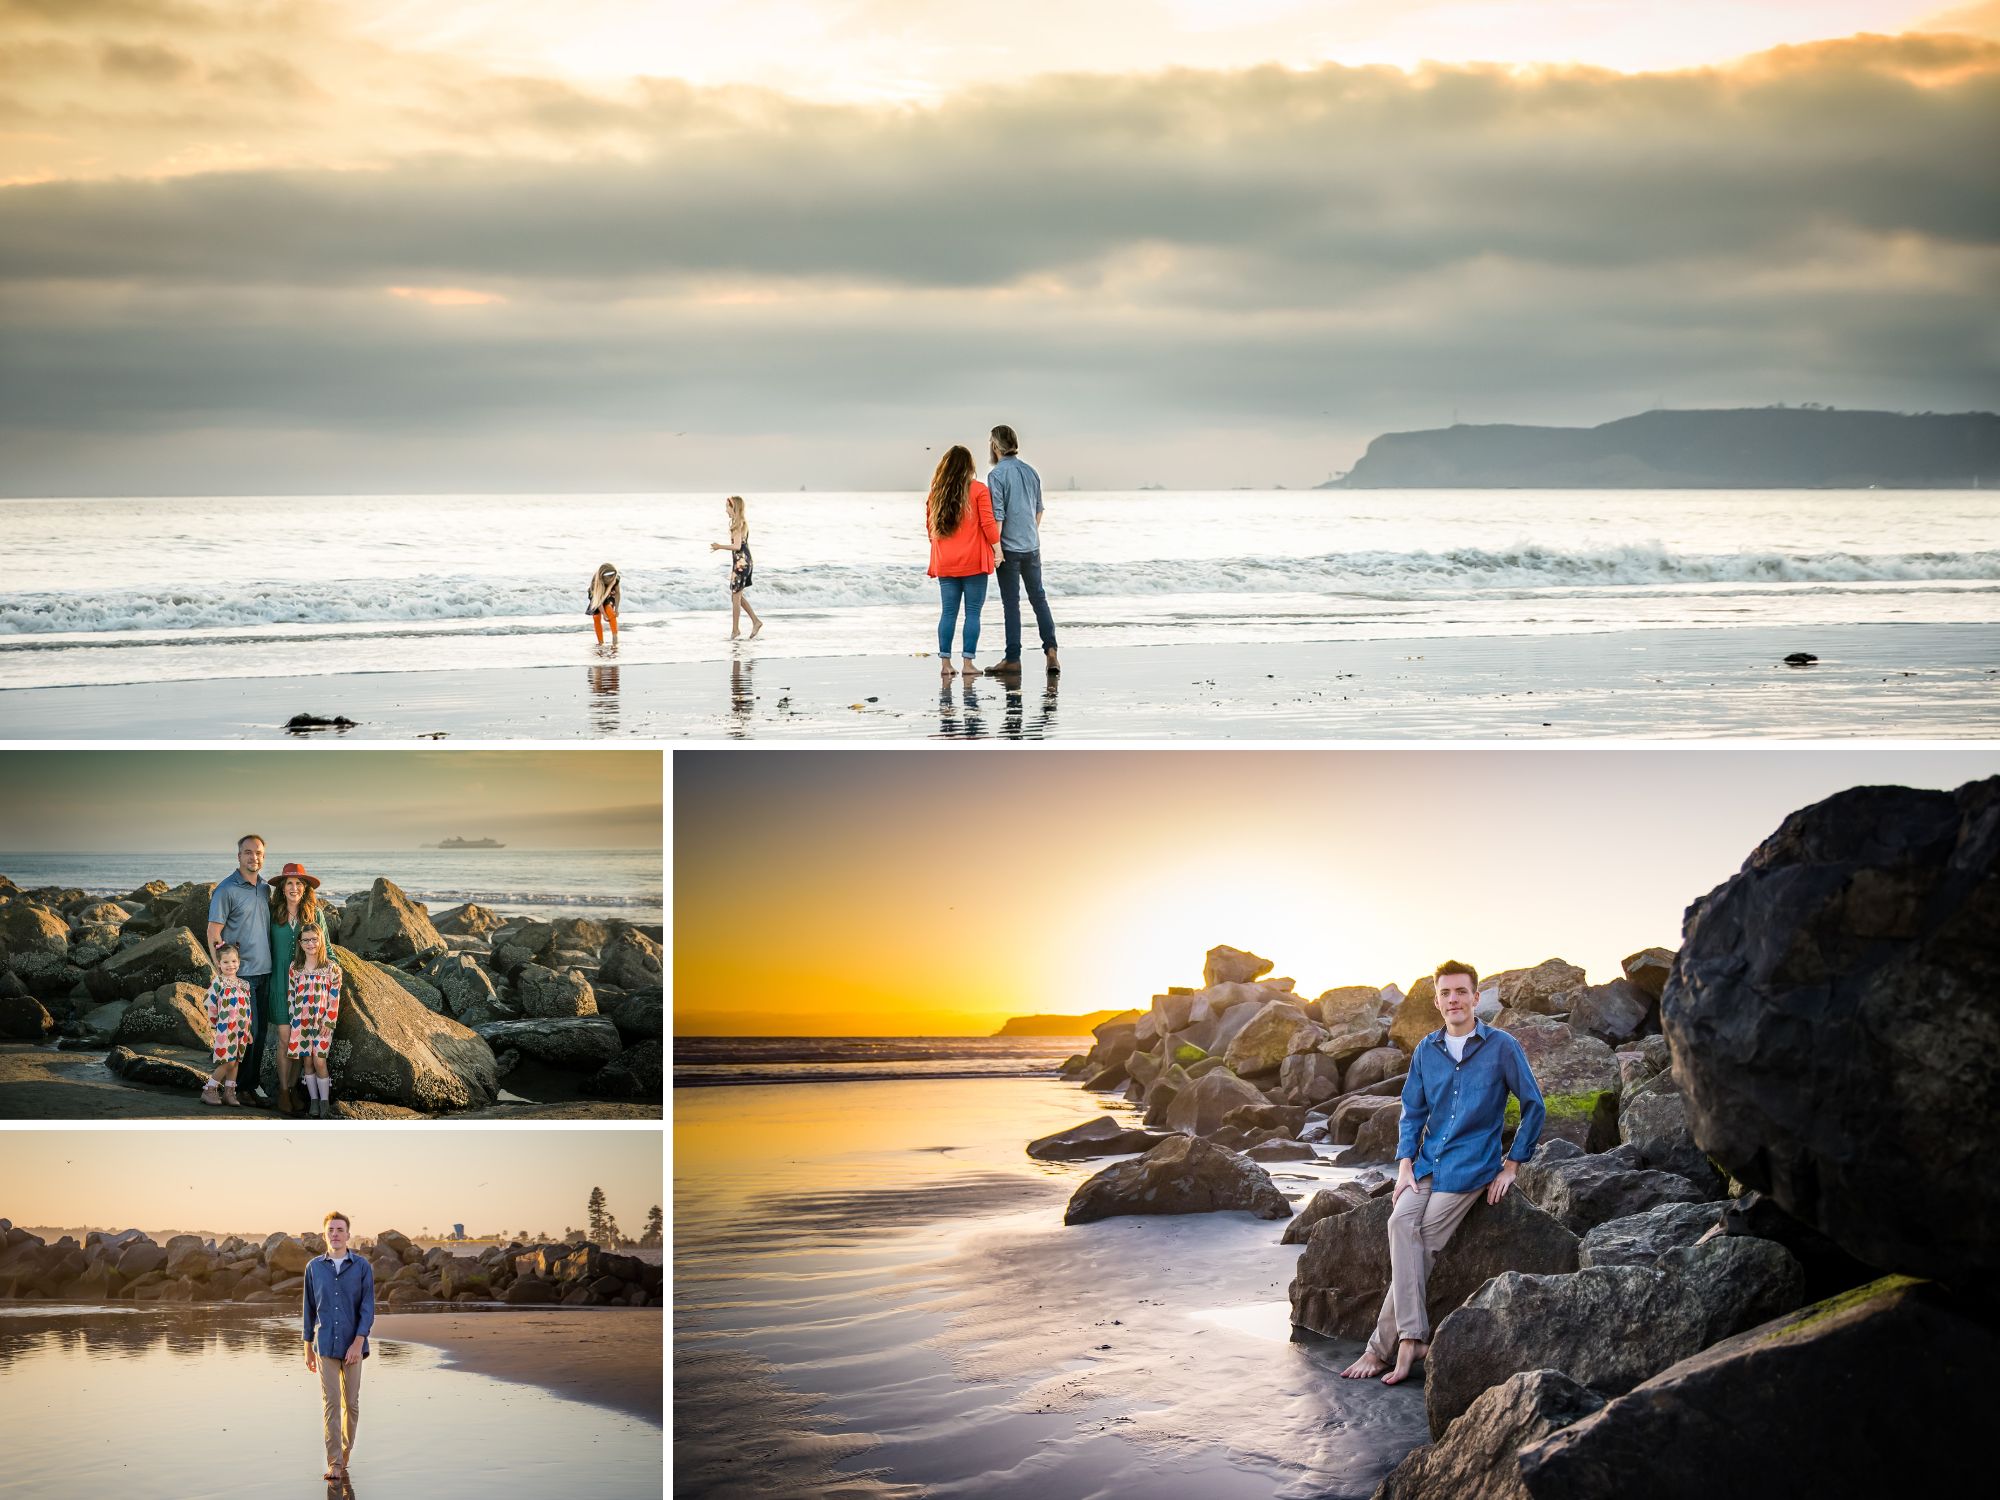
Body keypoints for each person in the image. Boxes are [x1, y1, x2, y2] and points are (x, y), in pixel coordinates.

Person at [1341, 959, 1546, 1387]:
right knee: (1400, 1223)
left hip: (1472, 1166)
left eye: (1461, 992)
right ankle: (1412, 1340)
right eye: (1446, 993)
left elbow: (1534, 1105)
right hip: (1427, 1162)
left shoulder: (1502, 1046)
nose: (1454, 999)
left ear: (1475, 997)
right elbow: (1412, 1112)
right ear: (1436, 1001)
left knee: (1425, 1241)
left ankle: (1385, 1346)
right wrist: (1403, 1167)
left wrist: (1512, 1165)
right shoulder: (1426, 1051)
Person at [303, 1209, 374, 1484]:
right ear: (325, 1234)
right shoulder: (313, 1268)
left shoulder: (362, 1266)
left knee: (351, 1404)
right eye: (330, 1230)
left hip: (353, 1345)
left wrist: (358, 1342)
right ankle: (334, 1462)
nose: (335, 1234)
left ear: (348, 1234)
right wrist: (307, 1346)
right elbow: (308, 1308)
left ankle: (345, 1453)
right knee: (331, 1403)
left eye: (340, 1230)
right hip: (324, 1345)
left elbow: (367, 1308)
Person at [982, 424, 1060, 675]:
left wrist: (997, 549)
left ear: (995, 446)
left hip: (1009, 548)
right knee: (1039, 598)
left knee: (1011, 603)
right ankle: (1051, 653)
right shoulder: (1031, 472)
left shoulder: (996, 475)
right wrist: (1031, 536)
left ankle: (1013, 658)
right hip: (1032, 546)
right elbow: (1039, 509)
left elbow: (998, 516)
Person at [206, 834, 272, 1106]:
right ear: (239, 856)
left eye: (258, 853)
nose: (253, 857)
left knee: (260, 1034)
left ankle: (244, 1087)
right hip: (241, 977)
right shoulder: (226, 889)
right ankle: (239, 1087)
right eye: (247, 852)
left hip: (265, 972)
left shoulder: (266, 889)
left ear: (263, 857)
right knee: (249, 1034)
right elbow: (213, 931)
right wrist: (224, 976)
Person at [926, 445, 999, 675]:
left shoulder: (936, 492)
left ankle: (945, 665)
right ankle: (968, 664)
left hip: (945, 562)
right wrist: (998, 550)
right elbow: (988, 524)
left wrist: (943, 550)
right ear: (970, 466)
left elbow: (930, 529)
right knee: (973, 612)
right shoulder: (978, 489)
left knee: (948, 613)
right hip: (974, 561)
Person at [268, 862, 332, 1117]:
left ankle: (295, 1089)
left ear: (305, 889)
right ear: (282, 888)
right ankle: (283, 1091)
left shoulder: (315, 914)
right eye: (289, 884)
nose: (294, 888)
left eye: (298, 884)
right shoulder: (272, 912)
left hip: (307, 986)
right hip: (279, 981)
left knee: (300, 1042)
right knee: (285, 1040)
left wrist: (333, 976)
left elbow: (327, 948)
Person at [287, 923, 343, 1119]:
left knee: (319, 1060)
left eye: (314, 939)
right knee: (307, 1061)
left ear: (321, 941)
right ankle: (313, 1101)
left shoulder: (331, 968)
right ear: (300, 943)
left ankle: (325, 1100)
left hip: (322, 1023)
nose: (310, 943)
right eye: (306, 940)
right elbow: (291, 995)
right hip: (301, 1022)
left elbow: (334, 997)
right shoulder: (295, 968)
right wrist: (294, 1019)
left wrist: (328, 1021)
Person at [199, 943, 254, 1106]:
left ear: (239, 962)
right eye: (226, 962)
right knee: (228, 1061)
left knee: (236, 1060)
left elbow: (247, 1008)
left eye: (233, 961)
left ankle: (229, 1093)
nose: (230, 965)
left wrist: (248, 1029)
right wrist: (216, 1023)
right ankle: (209, 1089)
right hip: (226, 1027)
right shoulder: (219, 982)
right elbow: (210, 1003)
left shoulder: (244, 985)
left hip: (241, 1029)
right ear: (219, 964)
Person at [709, 495, 764, 638]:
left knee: (735, 596)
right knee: (736, 596)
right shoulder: (739, 522)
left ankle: (736, 630)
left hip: (742, 563)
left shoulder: (738, 524)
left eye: (727, 507)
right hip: (743, 562)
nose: (725, 510)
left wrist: (719, 546)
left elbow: (737, 546)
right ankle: (755, 621)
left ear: (734, 508)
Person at [587, 562, 621, 644]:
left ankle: (615, 639)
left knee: (610, 610)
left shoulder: (615, 579)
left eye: (614, 577)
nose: (612, 579)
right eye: (610, 578)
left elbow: (617, 593)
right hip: (596, 595)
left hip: (609, 593)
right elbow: (599, 601)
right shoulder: (596, 583)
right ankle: (600, 642)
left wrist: (616, 609)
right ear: (603, 578)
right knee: (596, 617)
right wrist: (604, 615)